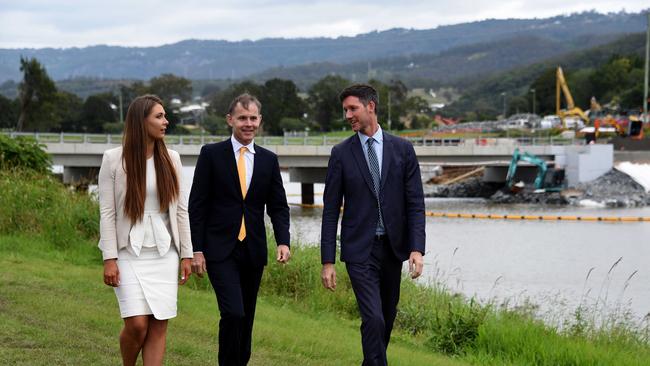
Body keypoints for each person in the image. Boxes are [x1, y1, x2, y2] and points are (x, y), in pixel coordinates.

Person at [320, 84, 425, 366]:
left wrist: (417, 248)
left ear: (371, 107)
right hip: (359, 252)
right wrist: (327, 261)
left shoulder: (403, 149)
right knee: (373, 317)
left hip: (392, 250)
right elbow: (330, 211)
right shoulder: (341, 153)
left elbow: (415, 203)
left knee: (385, 319)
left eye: (352, 108)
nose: (347, 115)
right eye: (345, 110)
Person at [189, 93, 291, 366]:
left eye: (253, 118)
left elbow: (279, 207)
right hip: (219, 250)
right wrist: (196, 249)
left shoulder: (269, 160)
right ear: (230, 120)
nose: (248, 123)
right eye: (242, 118)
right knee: (233, 312)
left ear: (260, 120)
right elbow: (196, 205)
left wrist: (283, 241)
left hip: (253, 250)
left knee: (246, 317)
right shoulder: (211, 155)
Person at [98, 94, 193, 366]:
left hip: (165, 254)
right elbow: (107, 212)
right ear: (141, 121)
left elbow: (180, 210)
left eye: (164, 116)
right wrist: (109, 258)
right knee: (138, 324)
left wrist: (186, 254)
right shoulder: (113, 159)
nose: (166, 121)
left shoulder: (171, 159)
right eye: (159, 116)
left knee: (159, 324)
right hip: (128, 253)